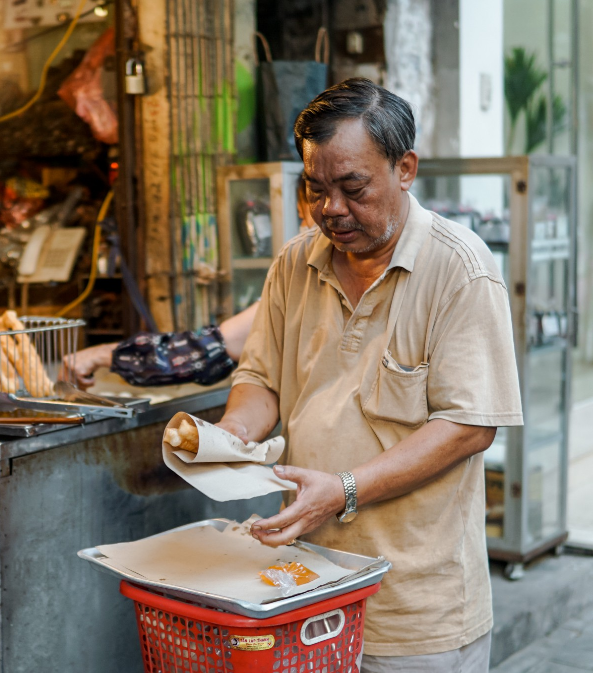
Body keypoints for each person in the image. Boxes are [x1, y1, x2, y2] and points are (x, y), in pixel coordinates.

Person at [218, 79, 521, 671]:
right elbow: (262, 378)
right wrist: (230, 435)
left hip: (416, 611)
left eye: (352, 188)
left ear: (404, 168)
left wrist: (344, 490)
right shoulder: (295, 263)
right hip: (305, 588)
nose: (331, 208)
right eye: (316, 189)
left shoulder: (460, 270)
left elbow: (468, 425)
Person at [62, 175, 315, 388]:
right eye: (300, 218)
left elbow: (204, 351)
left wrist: (100, 354)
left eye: (303, 218)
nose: (302, 228)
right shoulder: (300, 281)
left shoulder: (305, 288)